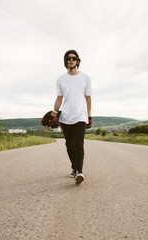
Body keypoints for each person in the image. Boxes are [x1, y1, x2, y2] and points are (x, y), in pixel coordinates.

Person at [53, 50, 92, 184]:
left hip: (80, 115)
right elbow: (59, 99)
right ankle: (74, 167)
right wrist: (54, 115)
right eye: (68, 58)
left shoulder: (85, 78)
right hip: (65, 116)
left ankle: (79, 172)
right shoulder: (60, 79)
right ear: (65, 61)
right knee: (69, 145)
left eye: (74, 58)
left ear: (78, 61)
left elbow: (88, 98)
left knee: (78, 144)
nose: (71, 60)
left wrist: (89, 116)